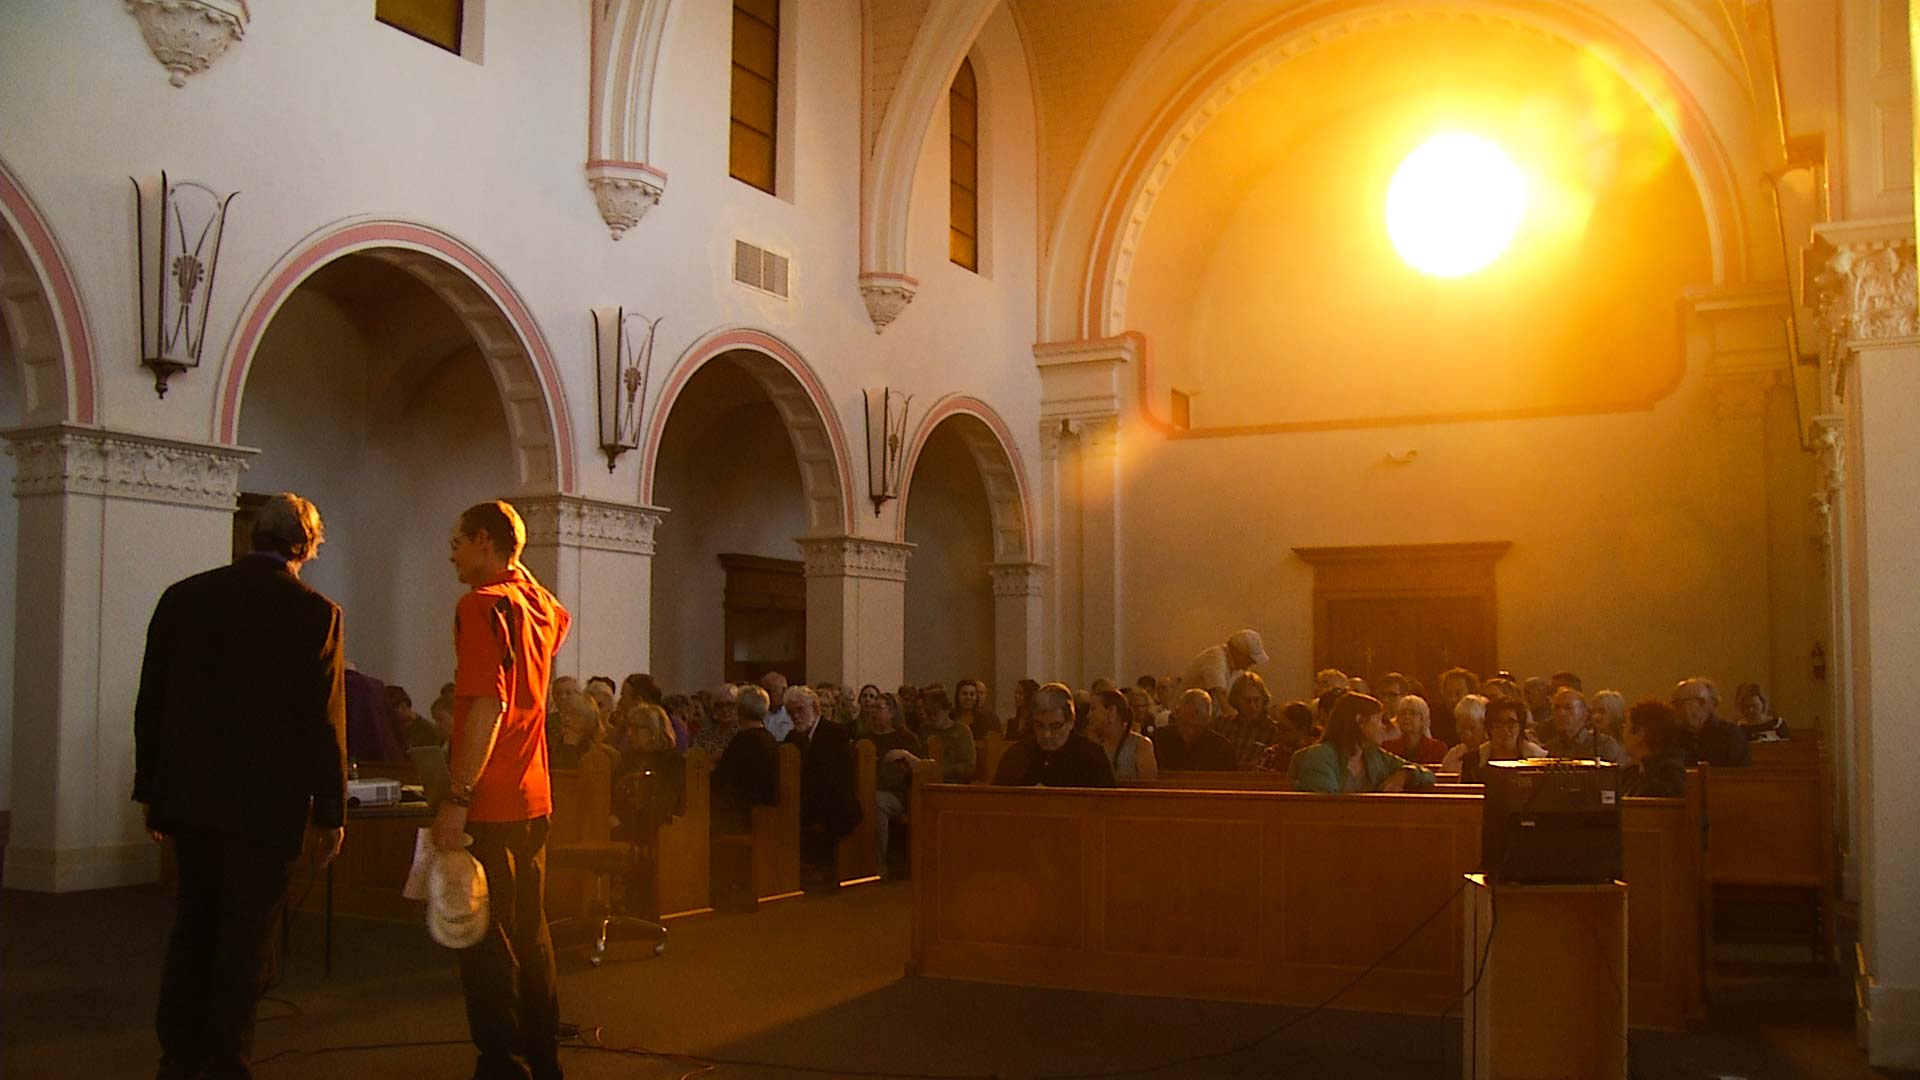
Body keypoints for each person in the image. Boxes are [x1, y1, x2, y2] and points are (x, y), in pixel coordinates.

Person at [134, 492, 347, 1080]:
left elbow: (152, 699)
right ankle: (226, 1061)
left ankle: (177, 1056)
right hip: (266, 804)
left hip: (191, 798)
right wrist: (331, 812)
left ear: (254, 536)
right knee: (246, 938)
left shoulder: (184, 597)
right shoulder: (314, 612)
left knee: (194, 924)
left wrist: (150, 787)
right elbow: (322, 722)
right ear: (304, 547)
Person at [432, 500, 571, 1080]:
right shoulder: (537, 605)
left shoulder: (480, 605)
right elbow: (556, 613)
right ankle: (542, 1056)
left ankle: (502, 1062)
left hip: (491, 796)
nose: (452, 553)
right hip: (533, 792)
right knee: (530, 932)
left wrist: (457, 796)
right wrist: (515, 565)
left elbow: (488, 704)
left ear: (484, 542)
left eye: (459, 541)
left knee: (485, 938)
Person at [1291, 693, 1435, 794]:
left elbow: (1428, 775)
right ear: (1360, 720)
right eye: (1378, 720)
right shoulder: (1321, 756)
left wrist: (1405, 774)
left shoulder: (1374, 755)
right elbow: (1324, 808)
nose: (1383, 726)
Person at [785, 685, 860, 871]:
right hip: (807, 797)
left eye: (800, 710)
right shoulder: (793, 737)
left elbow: (836, 778)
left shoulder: (834, 733)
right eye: (791, 712)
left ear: (815, 708)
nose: (795, 716)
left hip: (834, 801)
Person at [992, 683, 1117, 787]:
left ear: (1071, 721)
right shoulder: (1017, 756)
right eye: (1040, 725)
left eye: (1055, 726)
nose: (1046, 734)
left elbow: (1108, 806)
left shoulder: (1092, 757)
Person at [868, 692, 927, 871]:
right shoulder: (866, 737)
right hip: (867, 787)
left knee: (877, 802)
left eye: (879, 707)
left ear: (893, 712)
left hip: (897, 795)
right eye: (872, 707)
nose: (874, 711)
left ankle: (878, 864)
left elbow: (924, 767)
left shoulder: (906, 738)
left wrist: (904, 755)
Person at [710, 685, 780, 833]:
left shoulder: (743, 741)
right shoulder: (770, 738)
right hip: (770, 813)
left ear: (739, 710)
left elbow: (721, 781)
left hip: (744, 817)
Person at [1459, 697, 1547, 784]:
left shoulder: (1539, 761)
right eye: (1498, 723)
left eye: (1511, 723)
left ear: (1520, 726)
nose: (1505, 729)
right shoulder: (1473, 763)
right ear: (1489, 727)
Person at [1672, 677, 1751, 766]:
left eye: (1679, 703)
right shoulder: (1672, 736)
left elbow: (1740, 774)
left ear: (1701, 703)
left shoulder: (1729, 734)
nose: (1674, 709)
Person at [1153, 688, 1238, 771]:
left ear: (1208, 720)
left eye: (1197, 726)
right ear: (1176, 715)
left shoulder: (1221, 749)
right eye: (1185, 725)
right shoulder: (1159, 740)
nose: (1190, 731)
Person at [1620, 699, 1688, 798]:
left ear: (1640, 733)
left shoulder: (1668, 776)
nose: (1623, 733)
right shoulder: (1632, 772)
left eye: (1626, 725)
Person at [1543, 686, 1626, 764]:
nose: (1561, 713)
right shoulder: (1551, 749)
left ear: (1584, 714)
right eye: (1556, 708)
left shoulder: (1603, 745)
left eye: (1568, 707)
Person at [1089, 687, 1157, 780]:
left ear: (1111, 711)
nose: (1089, 715)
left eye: (1093, 709)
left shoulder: (1141, 745)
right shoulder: (1092, 746)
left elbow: (1148, 788)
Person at [1184, 629, 1269, 695]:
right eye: (1250, 660)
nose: (1252, 664)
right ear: (1238, 653)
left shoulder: (1237, 669)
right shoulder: (1216, 657)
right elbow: (1219, 692)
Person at [1219, 672, 1279, 765]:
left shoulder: (1273, 730)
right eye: (1246, 700)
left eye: (1256, 700)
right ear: (1236, 700)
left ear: (1263, 699)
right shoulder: (1224, 725)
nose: (1252, 706)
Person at [920, 685, 977, 783]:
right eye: (929, 713)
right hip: (926, 783)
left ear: (947, 710)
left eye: (936, 713)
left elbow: (967, 767)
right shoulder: (924, 731)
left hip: (954, 786)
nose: (932, 717)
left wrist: (938, 770)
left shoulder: (961, 732)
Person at [1380, 694, 1448, 765]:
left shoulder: (1437, 749)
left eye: (1412, 713)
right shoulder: (1388, 748)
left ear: (1423, 719)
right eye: (1403, 713)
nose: (1406, 717)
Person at [1439, 694, 1489, 774]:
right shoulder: (1453, 756)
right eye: (1462, 728)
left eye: (1472, 729)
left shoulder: (1493, 754)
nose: (1467, 735)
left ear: (1485, 727)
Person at [1433, 667, 1479, 746]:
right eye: (1449, 693)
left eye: (1458, 693)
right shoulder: (1435, 719)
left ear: (1471, 693)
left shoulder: (1480, 717)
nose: (1453, 699)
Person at [695, 684, 742, 759]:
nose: (724, 710)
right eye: (719, 705)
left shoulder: (743, 732)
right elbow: (695, 754)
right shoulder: (705, 732)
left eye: (730, 705)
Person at [759, 671, 793, 742]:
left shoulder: (792, 715)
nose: (765, 696)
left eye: (769, 691)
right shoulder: (758, 714)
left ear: (784, 691)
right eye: (763, 692)